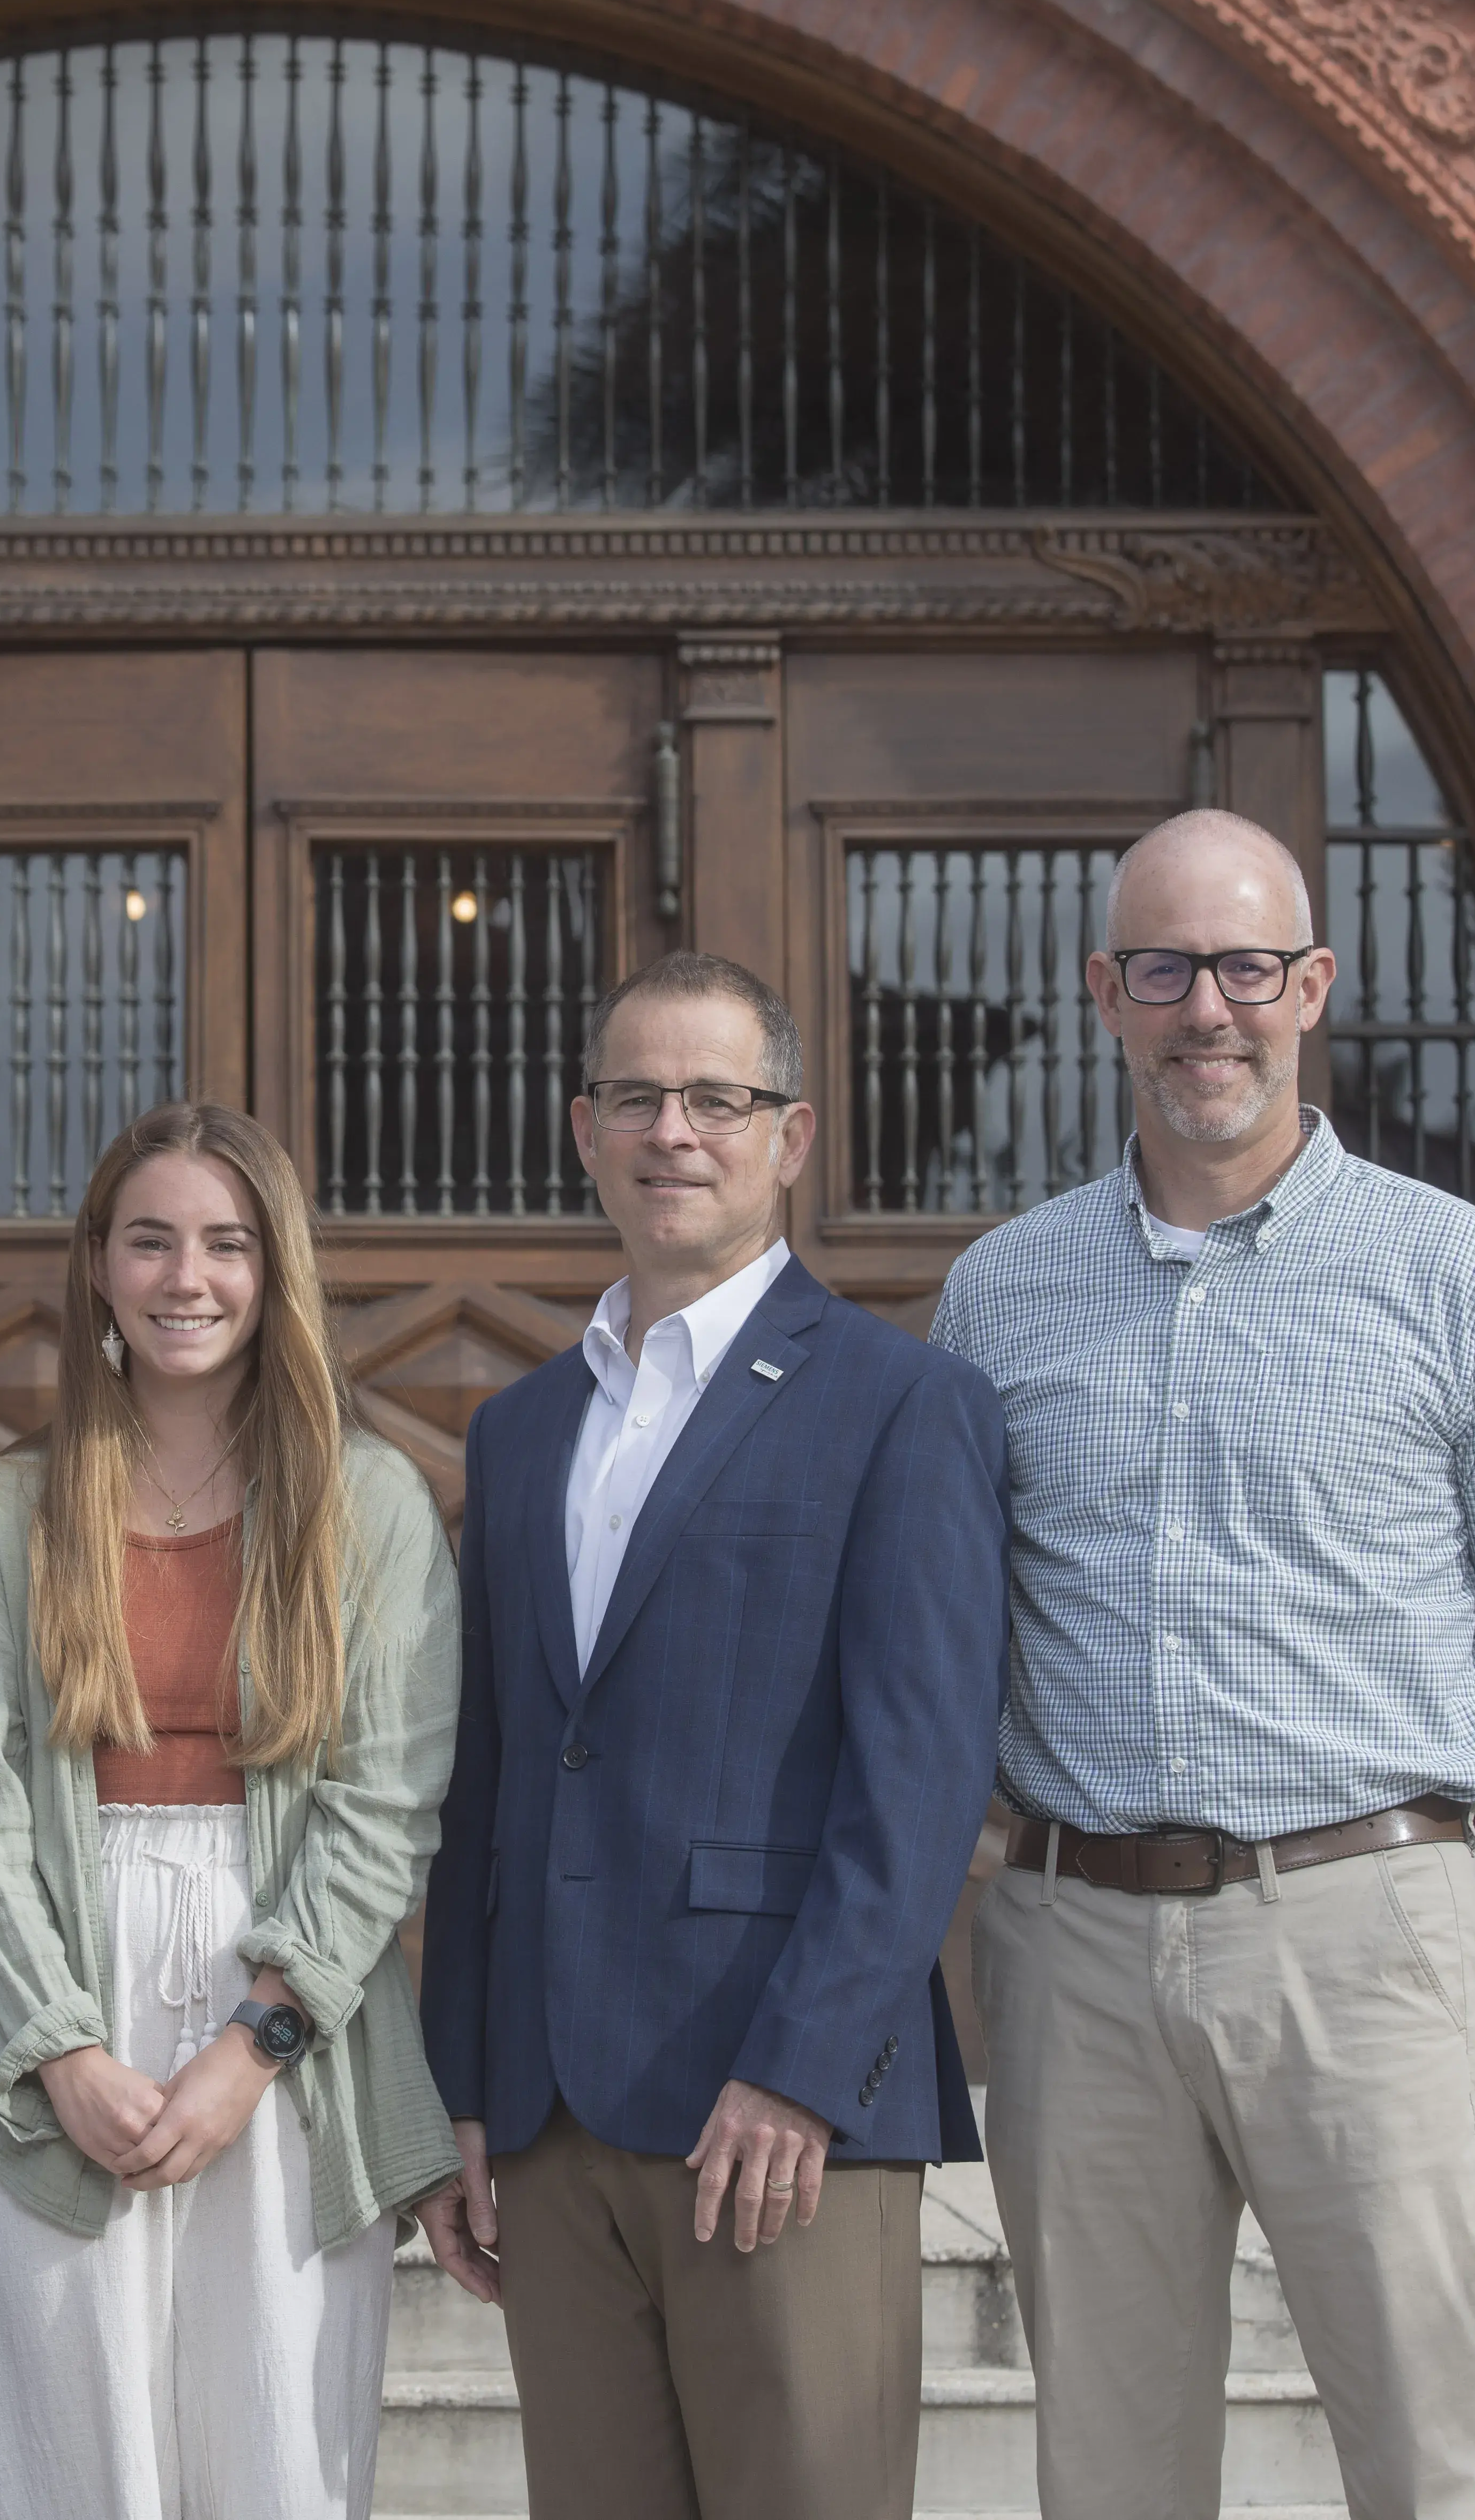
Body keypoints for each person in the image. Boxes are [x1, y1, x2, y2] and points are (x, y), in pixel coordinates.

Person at [931, 807, 1475, 2520]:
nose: (1206, 1011)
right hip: (1074, 1954)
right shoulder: (999, 1295)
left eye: (1246, 968)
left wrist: (1415, 1873)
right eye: (1162, 969)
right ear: (1105, 993)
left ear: (1310, 987)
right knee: (1108, 2469)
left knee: (1432, 2461)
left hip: (1360, 1946)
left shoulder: (1458, 1276)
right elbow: (955, 1625)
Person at [415, 950, 1010, 2520]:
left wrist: (804, 2069)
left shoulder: (899, 1403)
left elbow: (921, 1778)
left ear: (790, 1137)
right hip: (546, 2115)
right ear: (583, 1128)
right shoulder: (522, 1427)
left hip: (776, 2110)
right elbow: (486, 1786)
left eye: (716, 1099)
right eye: (636, 1096)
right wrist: (462, 2082)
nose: (672, 1130)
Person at [0, 1101, 462, 2520]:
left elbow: (383, 1805)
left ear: (274, 1271)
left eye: (226, 1245)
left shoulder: (368, 1505)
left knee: (277, 2445)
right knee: (68, 2456)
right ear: (97, 1263)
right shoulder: (5, 1515)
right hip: (58, 1985)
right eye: (150, 1241)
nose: (186, 1279)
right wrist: (58, 2051)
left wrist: (255, 2040)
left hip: (289, 2010)